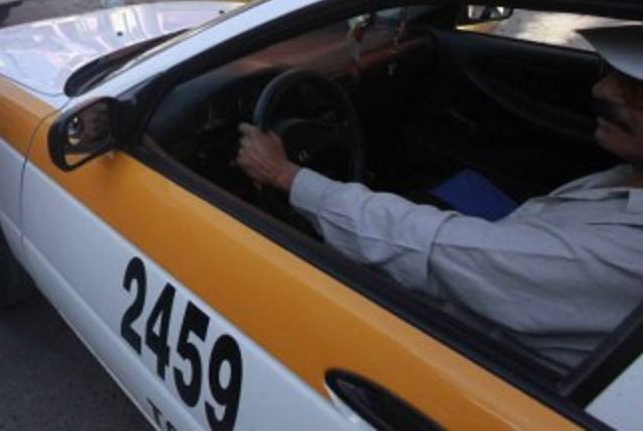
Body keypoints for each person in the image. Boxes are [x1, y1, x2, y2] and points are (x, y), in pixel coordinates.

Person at [234, 24, 643, 371]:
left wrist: (286, 175)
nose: (603, 88)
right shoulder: (628, 177)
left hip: (463, 353)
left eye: (634, 89)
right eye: (610, 72)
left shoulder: (622, 254)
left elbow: (438, 249)